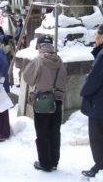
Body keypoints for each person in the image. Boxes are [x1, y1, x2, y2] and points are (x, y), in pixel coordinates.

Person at [23, 34, 66, 172]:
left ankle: (45, 163)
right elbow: (64, 79)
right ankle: (54, 161)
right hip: (57, 100)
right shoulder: (59, 60)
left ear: (39, 46)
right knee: (55, 132)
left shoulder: (38, 60)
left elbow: (28, 78)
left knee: (42, 133)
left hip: (42, 101)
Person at [80, 24, 103, 177]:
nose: (94, 38)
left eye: (97, 35)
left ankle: (101, 166)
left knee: (98, 137)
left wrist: (84, 91)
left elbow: (94, 79)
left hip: (101, 104)